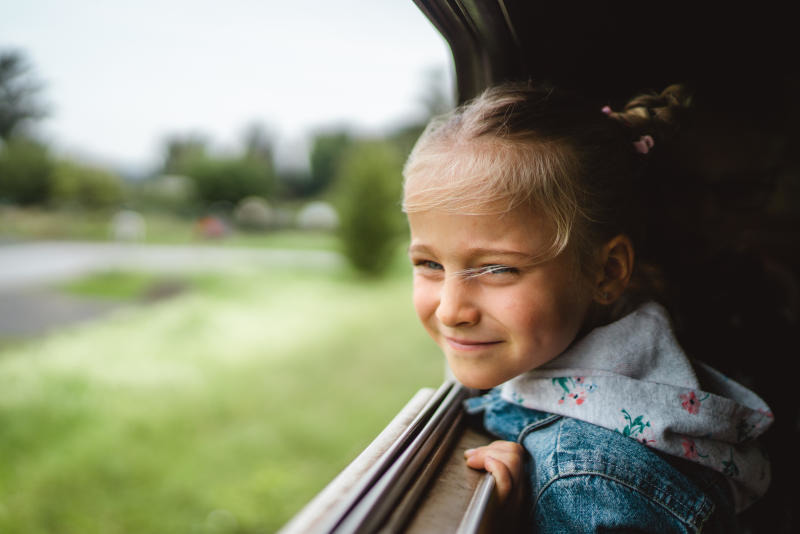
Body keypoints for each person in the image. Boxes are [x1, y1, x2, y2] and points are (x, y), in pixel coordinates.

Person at [402, 82, 773, 532]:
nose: (449, 310)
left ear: (606, 272)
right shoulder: (620, 367)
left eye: (497, 269)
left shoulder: (590, 485)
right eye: (429, 264)